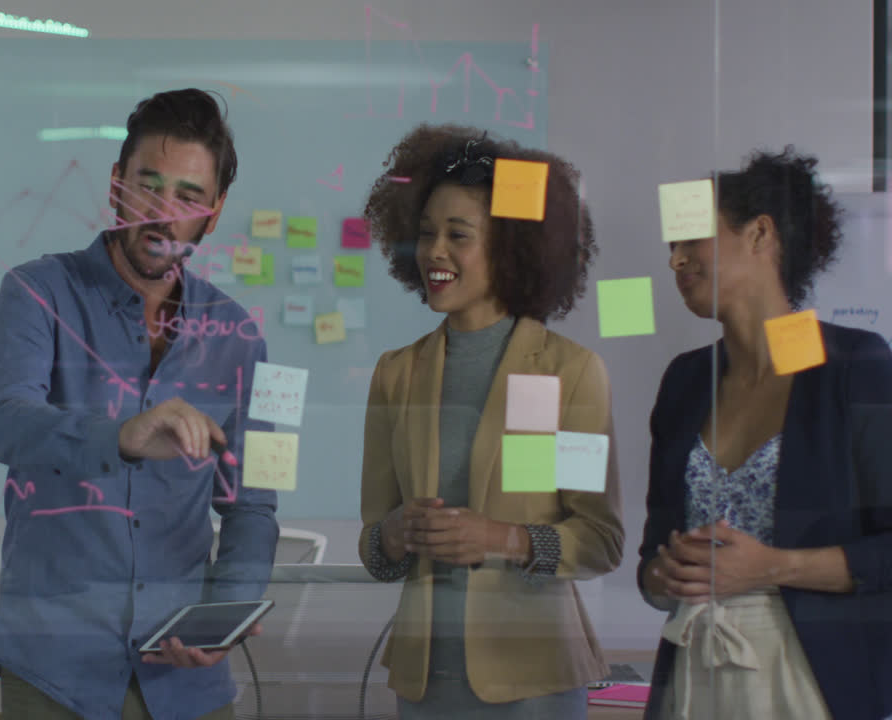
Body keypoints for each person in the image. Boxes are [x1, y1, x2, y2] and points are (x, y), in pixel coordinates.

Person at [0, 88, 279, 720]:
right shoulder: (35, 292)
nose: (163, 214)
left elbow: (256, 503)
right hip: (55, 671)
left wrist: (224, 617)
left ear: (214, 213)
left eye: (188, 197)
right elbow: (3, 423)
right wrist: (120, 435)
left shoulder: (241, 337)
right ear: (116, 186)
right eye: (148, 186)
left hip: (186, 680)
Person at [357, 124, 624, 718]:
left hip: (536, 682)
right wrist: (394, 534)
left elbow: (602, 541)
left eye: (458, 235)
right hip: (426, 684)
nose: (434, 253)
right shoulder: (396, 375)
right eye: (425, 235)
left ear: (511, 247)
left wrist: (503, 539)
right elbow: (374, 547)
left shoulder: (571, 373)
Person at [638, 148, 892, 720]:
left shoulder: (853, 365)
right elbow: (650, 559)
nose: (675, 261)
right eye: (670, 248)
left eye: (690, 240)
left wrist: (774, 567)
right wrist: (665, 570)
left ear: (759, 234)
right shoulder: (685, 381)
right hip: (692, 671)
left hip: (810, 676)